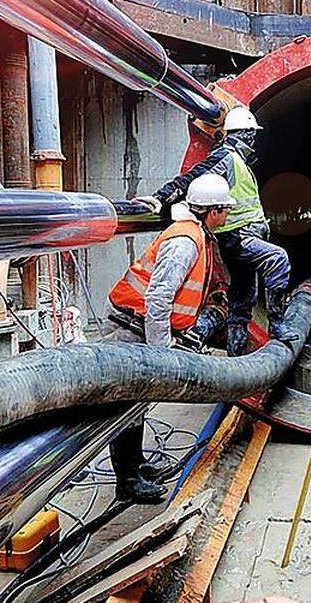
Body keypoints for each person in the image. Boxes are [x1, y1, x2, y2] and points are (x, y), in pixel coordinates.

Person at [103, 174, 235, 502]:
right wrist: (162, 353)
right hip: (131, 328)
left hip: (139, 326)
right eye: (226, 209)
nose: (228, 215)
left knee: (137, 403)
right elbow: (159, 297)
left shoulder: (196, 234)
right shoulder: (185, 242)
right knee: (126, 402)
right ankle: (128, 481)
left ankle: (136, 464)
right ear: (213, 210)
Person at [148, 105, 291, 356]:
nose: (255, 140)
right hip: (238, 237)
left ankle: (235, 359)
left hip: (244, 236)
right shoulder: (226, 157)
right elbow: (194, 179)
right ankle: (277, 324)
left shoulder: (239, 162)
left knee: (242, 302)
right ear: (245, 134)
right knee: (277, 259)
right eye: (252, 134)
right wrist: (160, 198)